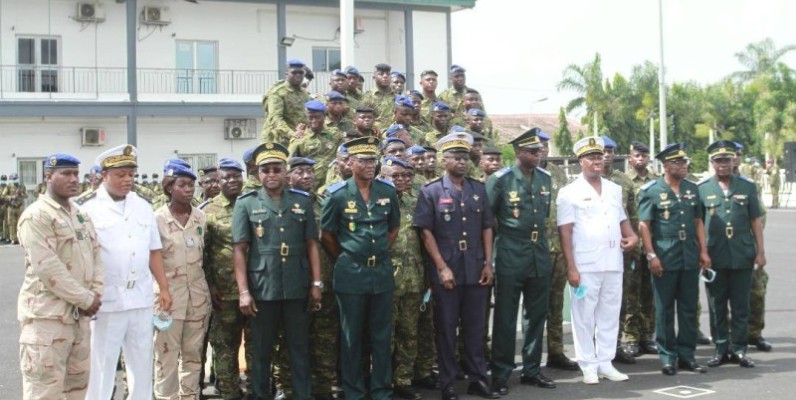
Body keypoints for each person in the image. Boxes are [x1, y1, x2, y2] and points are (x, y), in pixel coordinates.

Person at [77, 144, 172, 399]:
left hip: (140, 297)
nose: (127, 180)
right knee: (102, 367)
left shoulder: (142, 205)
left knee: (142, 366)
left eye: (131, 174)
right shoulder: (86, 208)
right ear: (104, 175)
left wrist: (163, 287)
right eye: (120, 174)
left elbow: (153, 250)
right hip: (106, 299)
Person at [233, 142, 322, 400]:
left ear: (286, 172)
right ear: (257, 173)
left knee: (299, 348)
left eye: (276, 169)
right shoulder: (246, 203)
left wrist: (317, 284)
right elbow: (240, 250)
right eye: (265, 170)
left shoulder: (301, 201)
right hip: (263, 287)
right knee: (261, 351)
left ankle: (302, 395)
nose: (271, 174)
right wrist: (244, 292)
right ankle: (261, 395)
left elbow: (311, 245)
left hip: (296, 284)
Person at [413, 132, 497, 400]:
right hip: (447, 268)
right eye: (456, 157)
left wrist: (488, 263)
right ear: (443, 160)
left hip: (475, 267)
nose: (462, 162)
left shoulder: (478, 189)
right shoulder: (432, 190)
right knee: (447, 329)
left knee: (475, 328)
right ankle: (448, 383)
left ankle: (478, 379)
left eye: (465, 157)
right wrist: (441, 267)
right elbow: (426, 232)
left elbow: (487, 228)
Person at [17, 153, 103, 400]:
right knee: (45, 392)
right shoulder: (37, 216)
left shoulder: (80, 215)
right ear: (48, 177)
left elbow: (96, 255)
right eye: (66, 173)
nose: (74, 179)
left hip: (78, 320)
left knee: (77, 391)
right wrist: (86, 299)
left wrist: (96, 293)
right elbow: (48, 268)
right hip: (47, 321)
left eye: (76, 173)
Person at [320, 136, 401, 400]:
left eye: (373, 160)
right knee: (351, 336)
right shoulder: (338, 195)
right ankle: (353, 390)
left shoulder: (387, 192)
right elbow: (327, 235)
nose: (369, 165)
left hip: (381, 273)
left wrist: (376, 254)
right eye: (364, 160)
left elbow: (393, 229)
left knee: (381, 335)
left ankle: (381, 389)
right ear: (350, 162)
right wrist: (348, 256)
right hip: (350, 274)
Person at [557, 136, 638, 384]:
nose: (597, 161)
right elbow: (565, 231)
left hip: (613, 261)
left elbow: (622, 219)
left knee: (609, 314)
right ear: (581, 161)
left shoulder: (614, 189)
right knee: (583, 316)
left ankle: (605, 361)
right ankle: (588, 364)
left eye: (599, 156)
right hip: (585, 264)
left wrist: (632, 236)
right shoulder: (569, 192)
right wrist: (571, 267)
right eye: (591, 157)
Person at [487, 129, 556, 393]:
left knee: (536, 316)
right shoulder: (500, 180)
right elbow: (488, 222)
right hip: (510, 254)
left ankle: (532, 369)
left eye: (539, 151)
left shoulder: (545, 179)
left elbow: (544, 215)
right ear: (518, 153)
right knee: (505, 317)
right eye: (532, 151)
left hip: (538, 253)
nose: (538, 155)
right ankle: (502, 373)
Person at [638, 142, 710, 376]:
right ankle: (668, 356)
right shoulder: (651, 190)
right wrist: (651, 255)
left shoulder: (692, 189)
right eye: (679, 163)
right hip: (664, 255)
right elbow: (644, 225)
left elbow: (698, 221)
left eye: (685, 162)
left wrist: (703, 251)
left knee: (689, 308)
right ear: (667, 166)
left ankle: (687, 355)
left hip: (689, 253)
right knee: (664, 308)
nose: (684, 166)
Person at [699, 140, 765, 368]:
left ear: (733, 161)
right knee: (716, 305)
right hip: (714, 256)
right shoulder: (703, 189)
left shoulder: (747, 187)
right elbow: (698, 224)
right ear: (712, 163)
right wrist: (703, 253)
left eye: (726, 160)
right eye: (718, 161)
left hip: (742, 254)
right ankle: (720, 348)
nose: (723, 164)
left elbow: (755, 220)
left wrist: (760, 252)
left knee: (740, 306)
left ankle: (739, 349)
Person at [153, 161, 211, 399]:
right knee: (165, 358)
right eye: (182, 185)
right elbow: (151, 260)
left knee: (193, 358)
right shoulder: (156, 220)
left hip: (197, 299)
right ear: (169, 188)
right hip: (168, 301)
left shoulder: (201, 218)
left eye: (191, 185)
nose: (189, 190)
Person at [286, 157, 340, 400]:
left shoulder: (324, 202)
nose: (307, 176)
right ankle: (288, 386)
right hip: (294, 283)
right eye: (300, 172)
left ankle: (324, 385)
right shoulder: (283, 203)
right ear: (289, 178)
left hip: (326, 281)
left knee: (325, 337)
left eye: (310, 171)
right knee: (291, 337)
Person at [203, 158, 254, 399]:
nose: (232, 181)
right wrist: (210, 285)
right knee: (225, 349)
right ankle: (230, 392)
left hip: (255, 290)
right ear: (218, 181)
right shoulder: (207, 211)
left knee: (256, 346)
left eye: (236, 176)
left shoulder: (253, 203)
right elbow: (202, 254)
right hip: (223, 293)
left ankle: (256, 390)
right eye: (226, 177)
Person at [536, 132, 579, 371]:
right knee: (533, 305)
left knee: (555, 302)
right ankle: (531, 355)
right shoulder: (523, 174)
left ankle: (556, 351)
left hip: (559, 249)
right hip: (535, 250)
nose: (542, 150)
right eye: (537, 146)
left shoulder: (559, 174)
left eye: (544, 146)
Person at [600, 136, 639, 365]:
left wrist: (635, 243)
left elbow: (632, 214)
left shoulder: (624, 181)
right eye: (602, 151)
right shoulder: (585, 181)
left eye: (610, 150)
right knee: (594, 300)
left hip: (620, 249)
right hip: (595, 250)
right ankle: (596, 348)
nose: (606, 155)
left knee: (618, 300)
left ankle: (615, 346)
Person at [622, 141, 659, 357]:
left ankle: (647, 335)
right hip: (633, 246)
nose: (641, 159)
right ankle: (631, 336)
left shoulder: (656, 181)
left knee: (650, 292)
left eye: (644, 156)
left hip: (652, 245)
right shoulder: (624, 181)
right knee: (631, 293)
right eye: (637, 155)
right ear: (630, 158)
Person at [288, 100, 341, 190]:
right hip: (307, 184)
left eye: (317, 117)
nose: (314, 121)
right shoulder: (300, 139)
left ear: (324, 117)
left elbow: (341, 156)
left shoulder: (335, 134)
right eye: (310, 118)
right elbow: (289, 163)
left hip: (331, 184)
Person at [263, 60, 311, 145]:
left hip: (299, 140)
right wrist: (291, 134)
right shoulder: (278, 93)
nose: (298, 75)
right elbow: (275, 118)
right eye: (294, 72)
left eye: (301, 73)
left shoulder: (305, 94)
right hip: (279, 141)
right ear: (287, 74)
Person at [362, 63, 397, 129]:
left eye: (388, 74)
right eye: (381, 74)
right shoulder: (368, 97)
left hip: (395, 133)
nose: (385, 76)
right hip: (376, 134)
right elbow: (364, 118)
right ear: (374, 77)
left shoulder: (397, 96)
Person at [4, 172, 28, 244]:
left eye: (15, 179)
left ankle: (19, 238)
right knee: (11, 223)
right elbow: (3, 195)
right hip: (11, 207)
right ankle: (13, 239)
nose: (15, 180)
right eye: (13, 179)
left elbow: (26, 195)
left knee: (20, 223)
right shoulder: (8, 186)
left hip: (19, 207)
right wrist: (11, 197)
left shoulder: (22, 186)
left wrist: (22, 194)